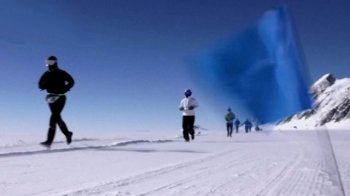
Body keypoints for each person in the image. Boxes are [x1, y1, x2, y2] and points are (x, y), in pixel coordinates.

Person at [38, 56, 75, 148]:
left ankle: (49, 142)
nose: (49, 64)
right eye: (47, 62)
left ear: (55, 62)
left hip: (60, 97)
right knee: (57, 118)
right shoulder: (46, 74)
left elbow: (72, 81)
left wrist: (65, 88)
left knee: (53, 118)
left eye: (50, 62)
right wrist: (44, 85)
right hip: (50, 98)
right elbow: (40, 85)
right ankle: (67, 133)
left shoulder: (62, 73)